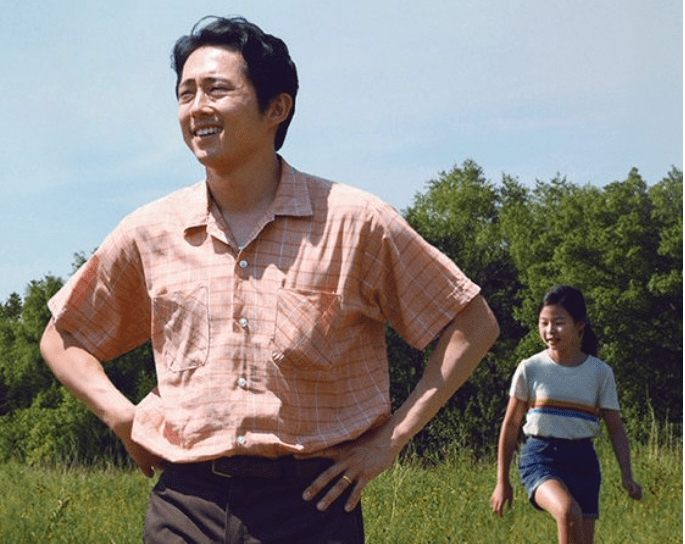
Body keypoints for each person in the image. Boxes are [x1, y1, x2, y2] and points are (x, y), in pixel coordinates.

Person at [40, 15, 499, 543]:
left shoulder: (355, 222)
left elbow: (473, 323)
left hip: (312, 505)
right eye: (186, 93)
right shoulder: (151, 231)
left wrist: (389, 442)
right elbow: (63, 337)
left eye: (216, 89)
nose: (197, 107)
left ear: (276, 108)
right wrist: (122, 417)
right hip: (186, 504)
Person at [490, 285, 642, 544]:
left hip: (584, 462)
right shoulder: (530, 368)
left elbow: (615, 427)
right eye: (544, 323)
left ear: (579, 325)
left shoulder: (600, 373)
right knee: (568, 511)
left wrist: (627, 475)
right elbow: (511, 425)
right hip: (541, 457)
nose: (550, 331)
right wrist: (502, 481)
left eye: (559, 323)